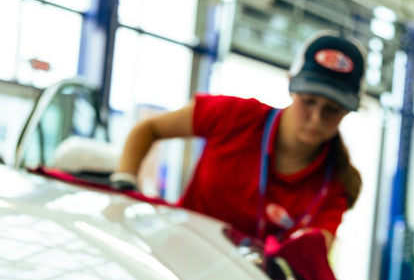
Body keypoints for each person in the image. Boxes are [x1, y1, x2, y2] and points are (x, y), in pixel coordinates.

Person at [110, 31, 366, 250]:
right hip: (180, 260)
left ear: (347, 111)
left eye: (332, 110)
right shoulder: (235, 117)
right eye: (309, 101)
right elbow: (148, 128)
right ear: (291, 86)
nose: (316, 117)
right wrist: (125, 182)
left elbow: (315, 252)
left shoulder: (335, 185)